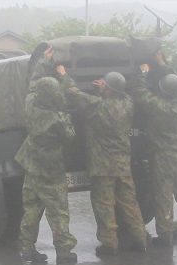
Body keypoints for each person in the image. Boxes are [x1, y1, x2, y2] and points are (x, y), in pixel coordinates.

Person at [62, 69, 147, 255]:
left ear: (108, 90)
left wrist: (64, 75)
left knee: (104, 205)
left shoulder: (97, 105)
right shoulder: (128, 104)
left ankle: (109, 244)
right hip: (123, 164)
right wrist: (109, 86)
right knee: (129, 203)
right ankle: (140, 237)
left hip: (102, 167)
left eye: (105, 86)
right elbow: (122, 92)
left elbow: (74, 93)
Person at [129, 51, 177, 246]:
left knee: (163, 197)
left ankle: (165, 236)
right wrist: (162, 64)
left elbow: (139, 92)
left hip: (162, 157)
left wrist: (141, 71)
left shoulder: (157, 105)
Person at [15, 76, 78, 264]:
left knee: (32, 209)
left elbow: (30, 93)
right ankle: (64, 250)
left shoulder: (30, 108)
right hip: (50, 169)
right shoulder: (57, 118)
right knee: (58, 209)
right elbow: (70, 137)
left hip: (31, 164)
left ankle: (26, 248)